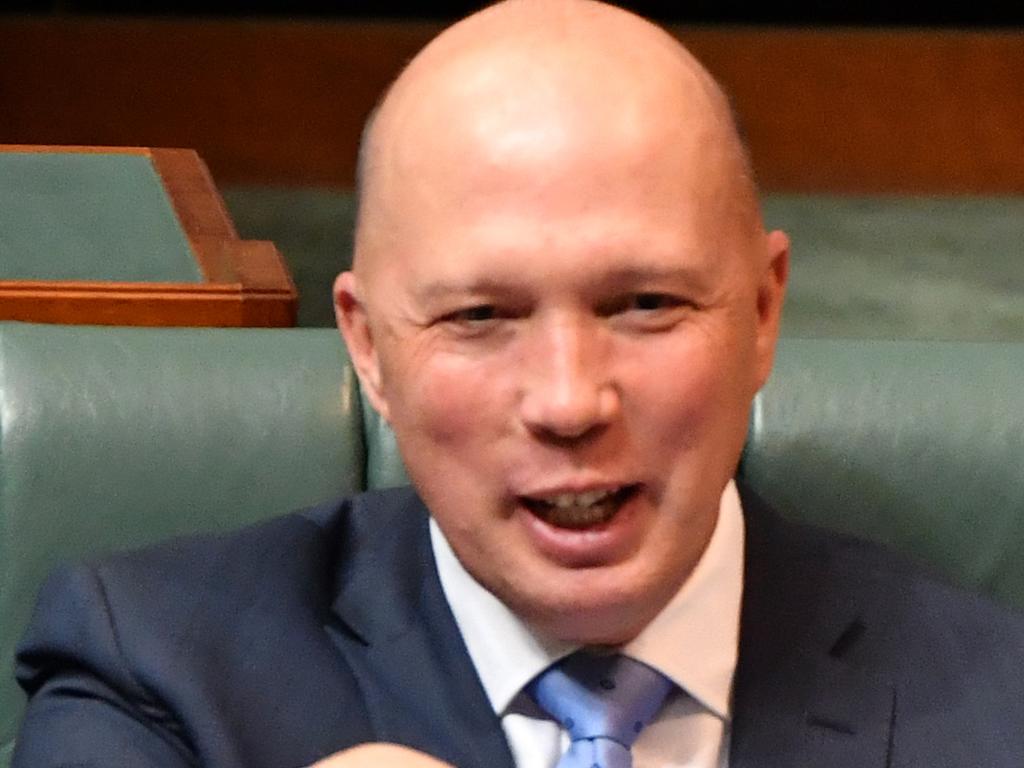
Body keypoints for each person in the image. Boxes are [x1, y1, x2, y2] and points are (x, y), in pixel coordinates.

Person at [12, 1, 1024, 766]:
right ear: (367, 349)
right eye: (479, 318)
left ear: (762, 313)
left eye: (643, 304)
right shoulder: (156, 676)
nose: (569, 400)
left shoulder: (995, 706)